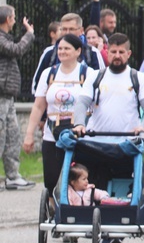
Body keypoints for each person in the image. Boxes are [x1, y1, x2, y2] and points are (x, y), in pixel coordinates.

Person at [72, 33, 144, 243]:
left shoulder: (138, 78)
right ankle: (98, 227)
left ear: (129, 54)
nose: (117, 56)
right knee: (95, 185)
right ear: (107, 52)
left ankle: (116, 228)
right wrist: (80, 124)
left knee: (124, 187)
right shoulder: (96, 76)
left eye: (121, 52)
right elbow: (82, 103)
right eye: (113, 52)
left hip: (126, 144)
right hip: (96, 143)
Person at [23, 34, 98, 196]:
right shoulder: (48, 74)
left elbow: (96, 104)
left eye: (67, 48)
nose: (62, 52)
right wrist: (29, 134)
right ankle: (54, 208)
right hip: (53, 133)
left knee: (80, 176)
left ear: (78, 51)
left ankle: (80, 207)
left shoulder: (89, 73)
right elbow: (38, 106)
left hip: (80, 133)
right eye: (60, 48)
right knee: (51, 178)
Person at [0, 5, 36, 190]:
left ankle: (13, 176)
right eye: (13, 17)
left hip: (8, 97)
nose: (15, 21)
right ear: (8, 19)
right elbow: (16, 50)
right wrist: (29, 33)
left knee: (12, 136)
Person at [32, 13, 105, 93]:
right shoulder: (49, 53)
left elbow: (101, 80)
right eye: (64, 29)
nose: (67, 32)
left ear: (81, 30)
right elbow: (37, 84)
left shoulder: (92, 53)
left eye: (71, 29)